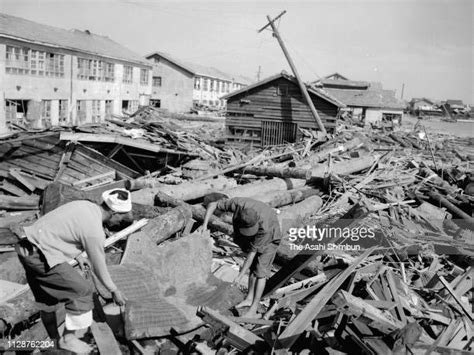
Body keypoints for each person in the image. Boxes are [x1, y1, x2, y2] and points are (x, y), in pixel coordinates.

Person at [15, 188, 132, 353]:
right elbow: (99, 265)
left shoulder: (84, 206)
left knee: (47, 301)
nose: (120, 222)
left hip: (26, 247)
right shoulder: (95, 231)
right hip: (41, 257)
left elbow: (62, 227)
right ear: (113, 212)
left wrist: (77, 255)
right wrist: (114, 290)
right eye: (122, 216)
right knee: (84, 292)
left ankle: (55, 343)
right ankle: (69, 340)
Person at [201, 197, 281, 318]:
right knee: (253, 268)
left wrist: (239, 276)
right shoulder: (237, 204)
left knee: (260, 272)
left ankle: (254, 308)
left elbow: (251, 255)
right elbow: (212, 204)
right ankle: (249, 298)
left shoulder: (264, 229)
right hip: (258, 228)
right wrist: (204, 225)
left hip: (271, 238)